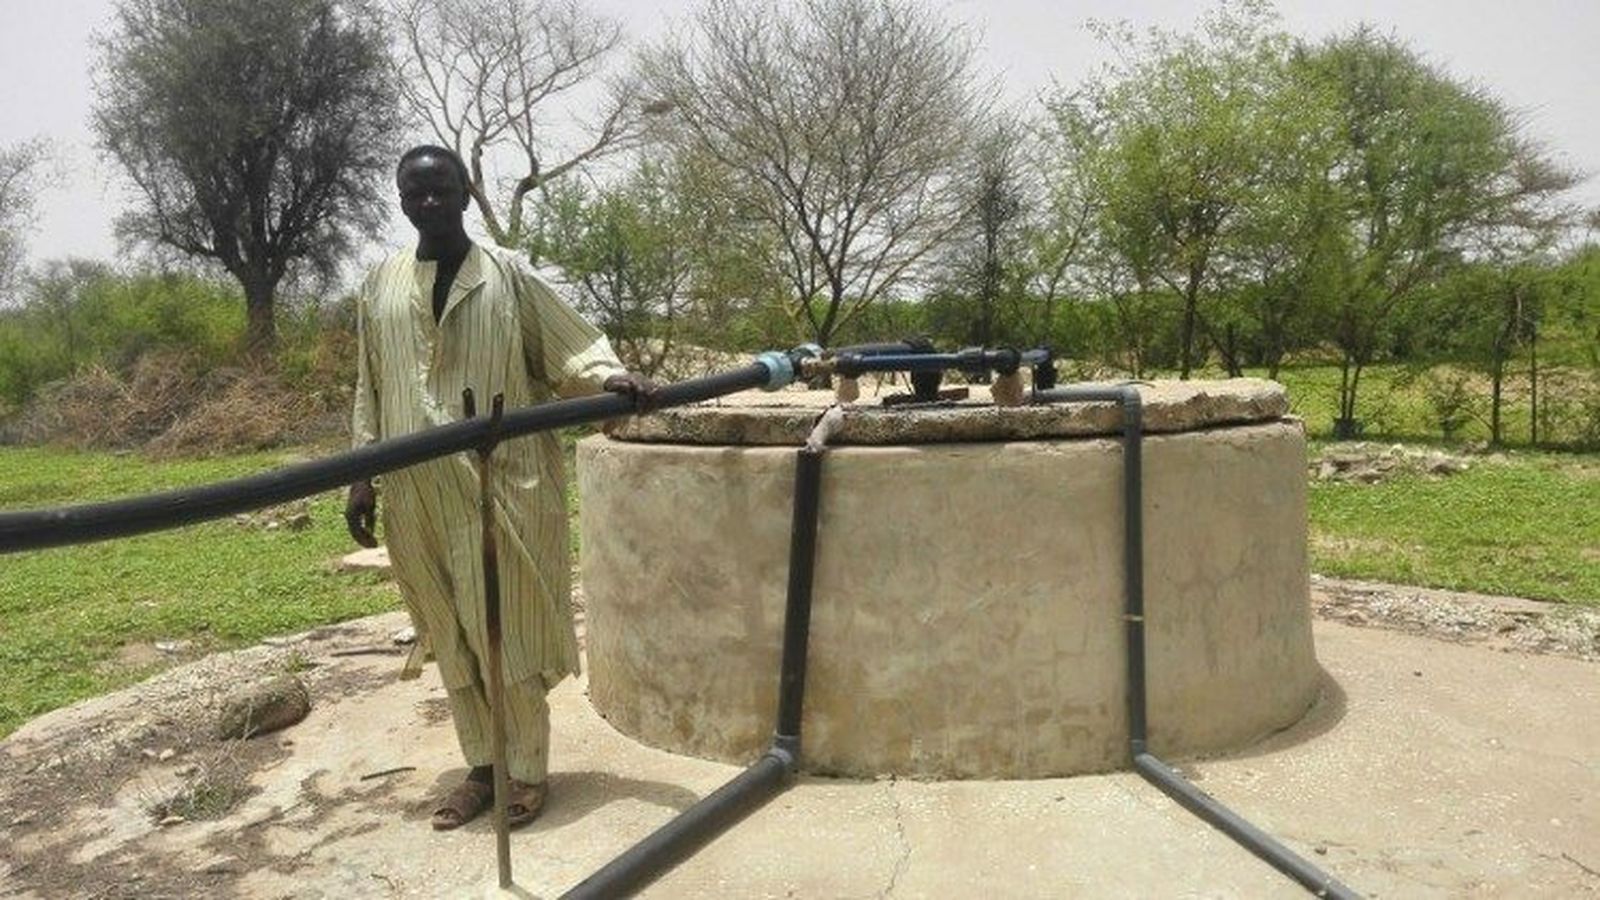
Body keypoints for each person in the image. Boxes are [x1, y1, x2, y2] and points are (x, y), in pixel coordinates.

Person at [345, 144, 654, 830]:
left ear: (465, 192)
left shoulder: (507, 275)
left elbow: (572, 347)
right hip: (417, 491)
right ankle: (481, 768)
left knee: (506, 630)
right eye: (415, 193)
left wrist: (609, 377)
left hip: (501, 485)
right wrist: (361, 474)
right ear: (400, 200)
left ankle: (526, 772)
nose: (428, 202)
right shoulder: (380, 284)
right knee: (452, 633)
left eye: (442, 189)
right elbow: (370, 383)